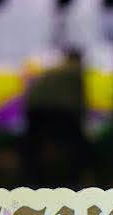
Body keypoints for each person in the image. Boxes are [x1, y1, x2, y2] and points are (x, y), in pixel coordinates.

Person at [22, 48, 88, 189]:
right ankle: (73, 179)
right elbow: (79, 101)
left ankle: (32, 180)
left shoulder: (56, 69)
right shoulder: (75, 72)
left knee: (34, 146)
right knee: (76, 145)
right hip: (57, 111)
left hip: (35, 109)